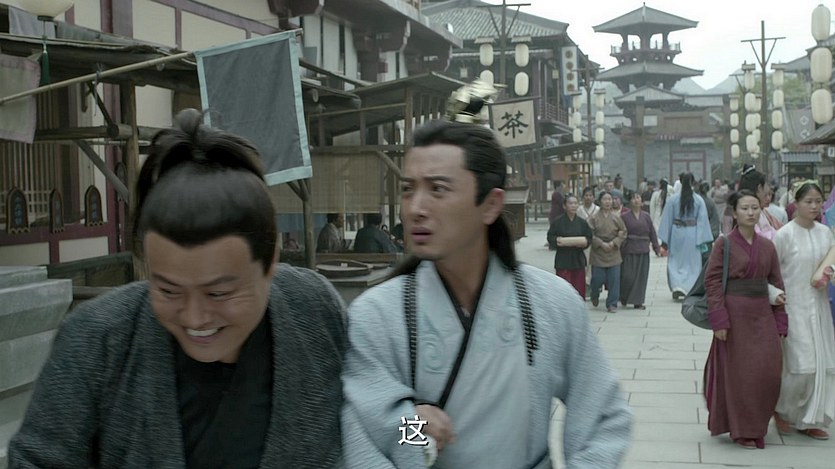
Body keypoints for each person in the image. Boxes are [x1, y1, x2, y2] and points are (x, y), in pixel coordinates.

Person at [8, 109, 347, 467]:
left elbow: (373, 427)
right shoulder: (97, 340)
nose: (195, 318)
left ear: (270, 261)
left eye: (219, 293)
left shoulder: (314, 312)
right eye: (168, 291)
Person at [341, 119, 632, 468]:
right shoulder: (376, 315)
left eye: (438, 189)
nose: (416, 208)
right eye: (408, 189)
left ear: (491, 205)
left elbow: (603, 416)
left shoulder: (553, 303)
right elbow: (368, 433)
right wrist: (414, 430)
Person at [703, 190, 787, 450]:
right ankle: (742, 430)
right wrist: (719, 320)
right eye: (745, 208)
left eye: (754, 208)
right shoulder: (724, 244)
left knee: (768, 373)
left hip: (762, 315)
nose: (750, 213)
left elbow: (777, 283)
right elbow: (712, 282)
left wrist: (781, 321)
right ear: (735, 212)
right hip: (734, 316)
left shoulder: (768, 246)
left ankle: (757, 424)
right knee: (741, 375)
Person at [773, 181, 835, 440]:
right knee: (801, 367)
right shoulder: (784, 235)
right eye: (808, 201)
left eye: (818, 201)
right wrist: (774, 296)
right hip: (793, 307)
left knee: (823, 366)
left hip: (819, 307)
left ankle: (811, 419)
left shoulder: (825, 233)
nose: (814, 206)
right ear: (795, 204)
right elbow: (771, 271)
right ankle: (782, 409)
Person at [658, 172, 713, 300]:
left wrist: (665, 241)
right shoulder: (698, 200)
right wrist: (702, 240)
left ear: (681, 182)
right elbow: (702, 221)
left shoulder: (673, 200)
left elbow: (667, 220)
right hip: (693, 233)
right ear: (693, 182)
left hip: (677, 233)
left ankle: (677, 286)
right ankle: (690, 287)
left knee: (675, 261)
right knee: (692, 263)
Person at [619, 190, 660, 309]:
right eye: (634, 198)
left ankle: (638, 301)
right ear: (630, 201)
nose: (636, 200)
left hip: (643, 249)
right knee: (627, 276)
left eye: (638, 198)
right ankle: (624, 296)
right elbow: (620, 233)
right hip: (629, 249)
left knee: (641, 277)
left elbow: (652, 232)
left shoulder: (646, 216)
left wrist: (656, 247)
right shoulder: (624, 217)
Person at [547, 193, 593, 298]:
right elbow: (550, 237)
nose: (573, 206)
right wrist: (558, 241)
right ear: (564, 206)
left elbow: (589, 237)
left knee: (578, 290)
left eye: (575, 203)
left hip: (578, 259)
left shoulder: (582, 223)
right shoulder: (558, 222)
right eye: (570, 203)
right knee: (564, 290)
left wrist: (584, 243)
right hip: (563, 260)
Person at [588, 191, 627, 313]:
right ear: (600, 201)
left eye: (610, 199)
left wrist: (614, 242)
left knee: (614, 280)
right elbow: (589, 234)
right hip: (598, 253)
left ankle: (612, 304)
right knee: (597, 279)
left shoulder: (616, 218)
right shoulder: (594, 218)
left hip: (613, 252)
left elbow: (623, 232)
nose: (608, 202)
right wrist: (600, 243)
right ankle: (594, 293)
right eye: (605, 199)